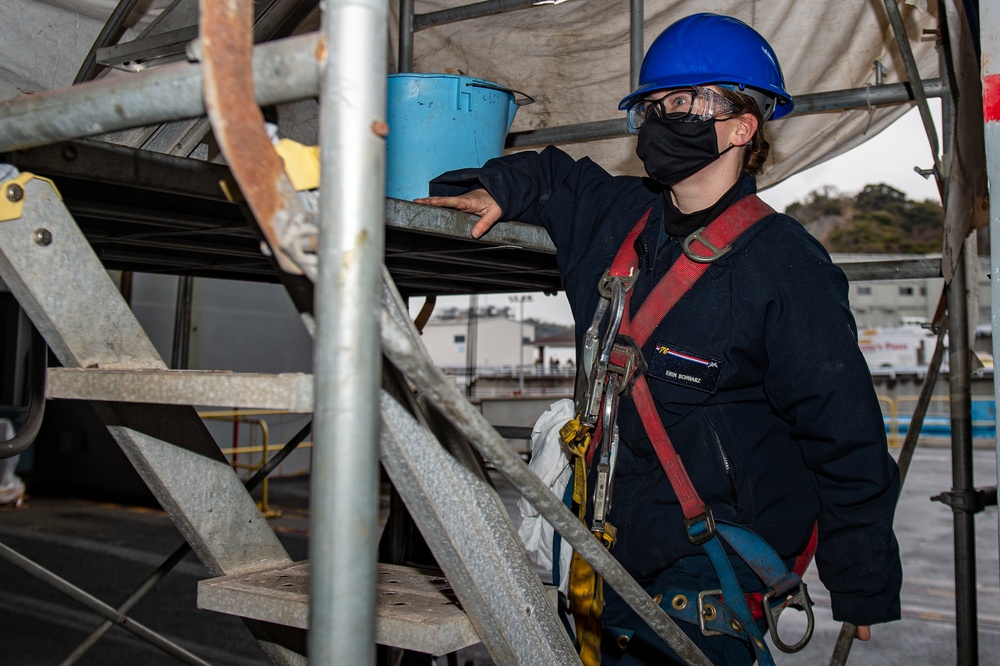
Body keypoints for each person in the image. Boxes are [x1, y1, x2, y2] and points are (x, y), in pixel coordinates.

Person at [416, 12, 901, 665]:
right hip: (605, 561)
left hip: (706, 581)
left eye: (682, 102)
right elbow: (556, 176)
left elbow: (844, 431)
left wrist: (862, 576)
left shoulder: (784, 264)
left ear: (742, 125)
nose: (658, 117)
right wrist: (496, 190)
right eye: (650, 104)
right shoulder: (618, 219)